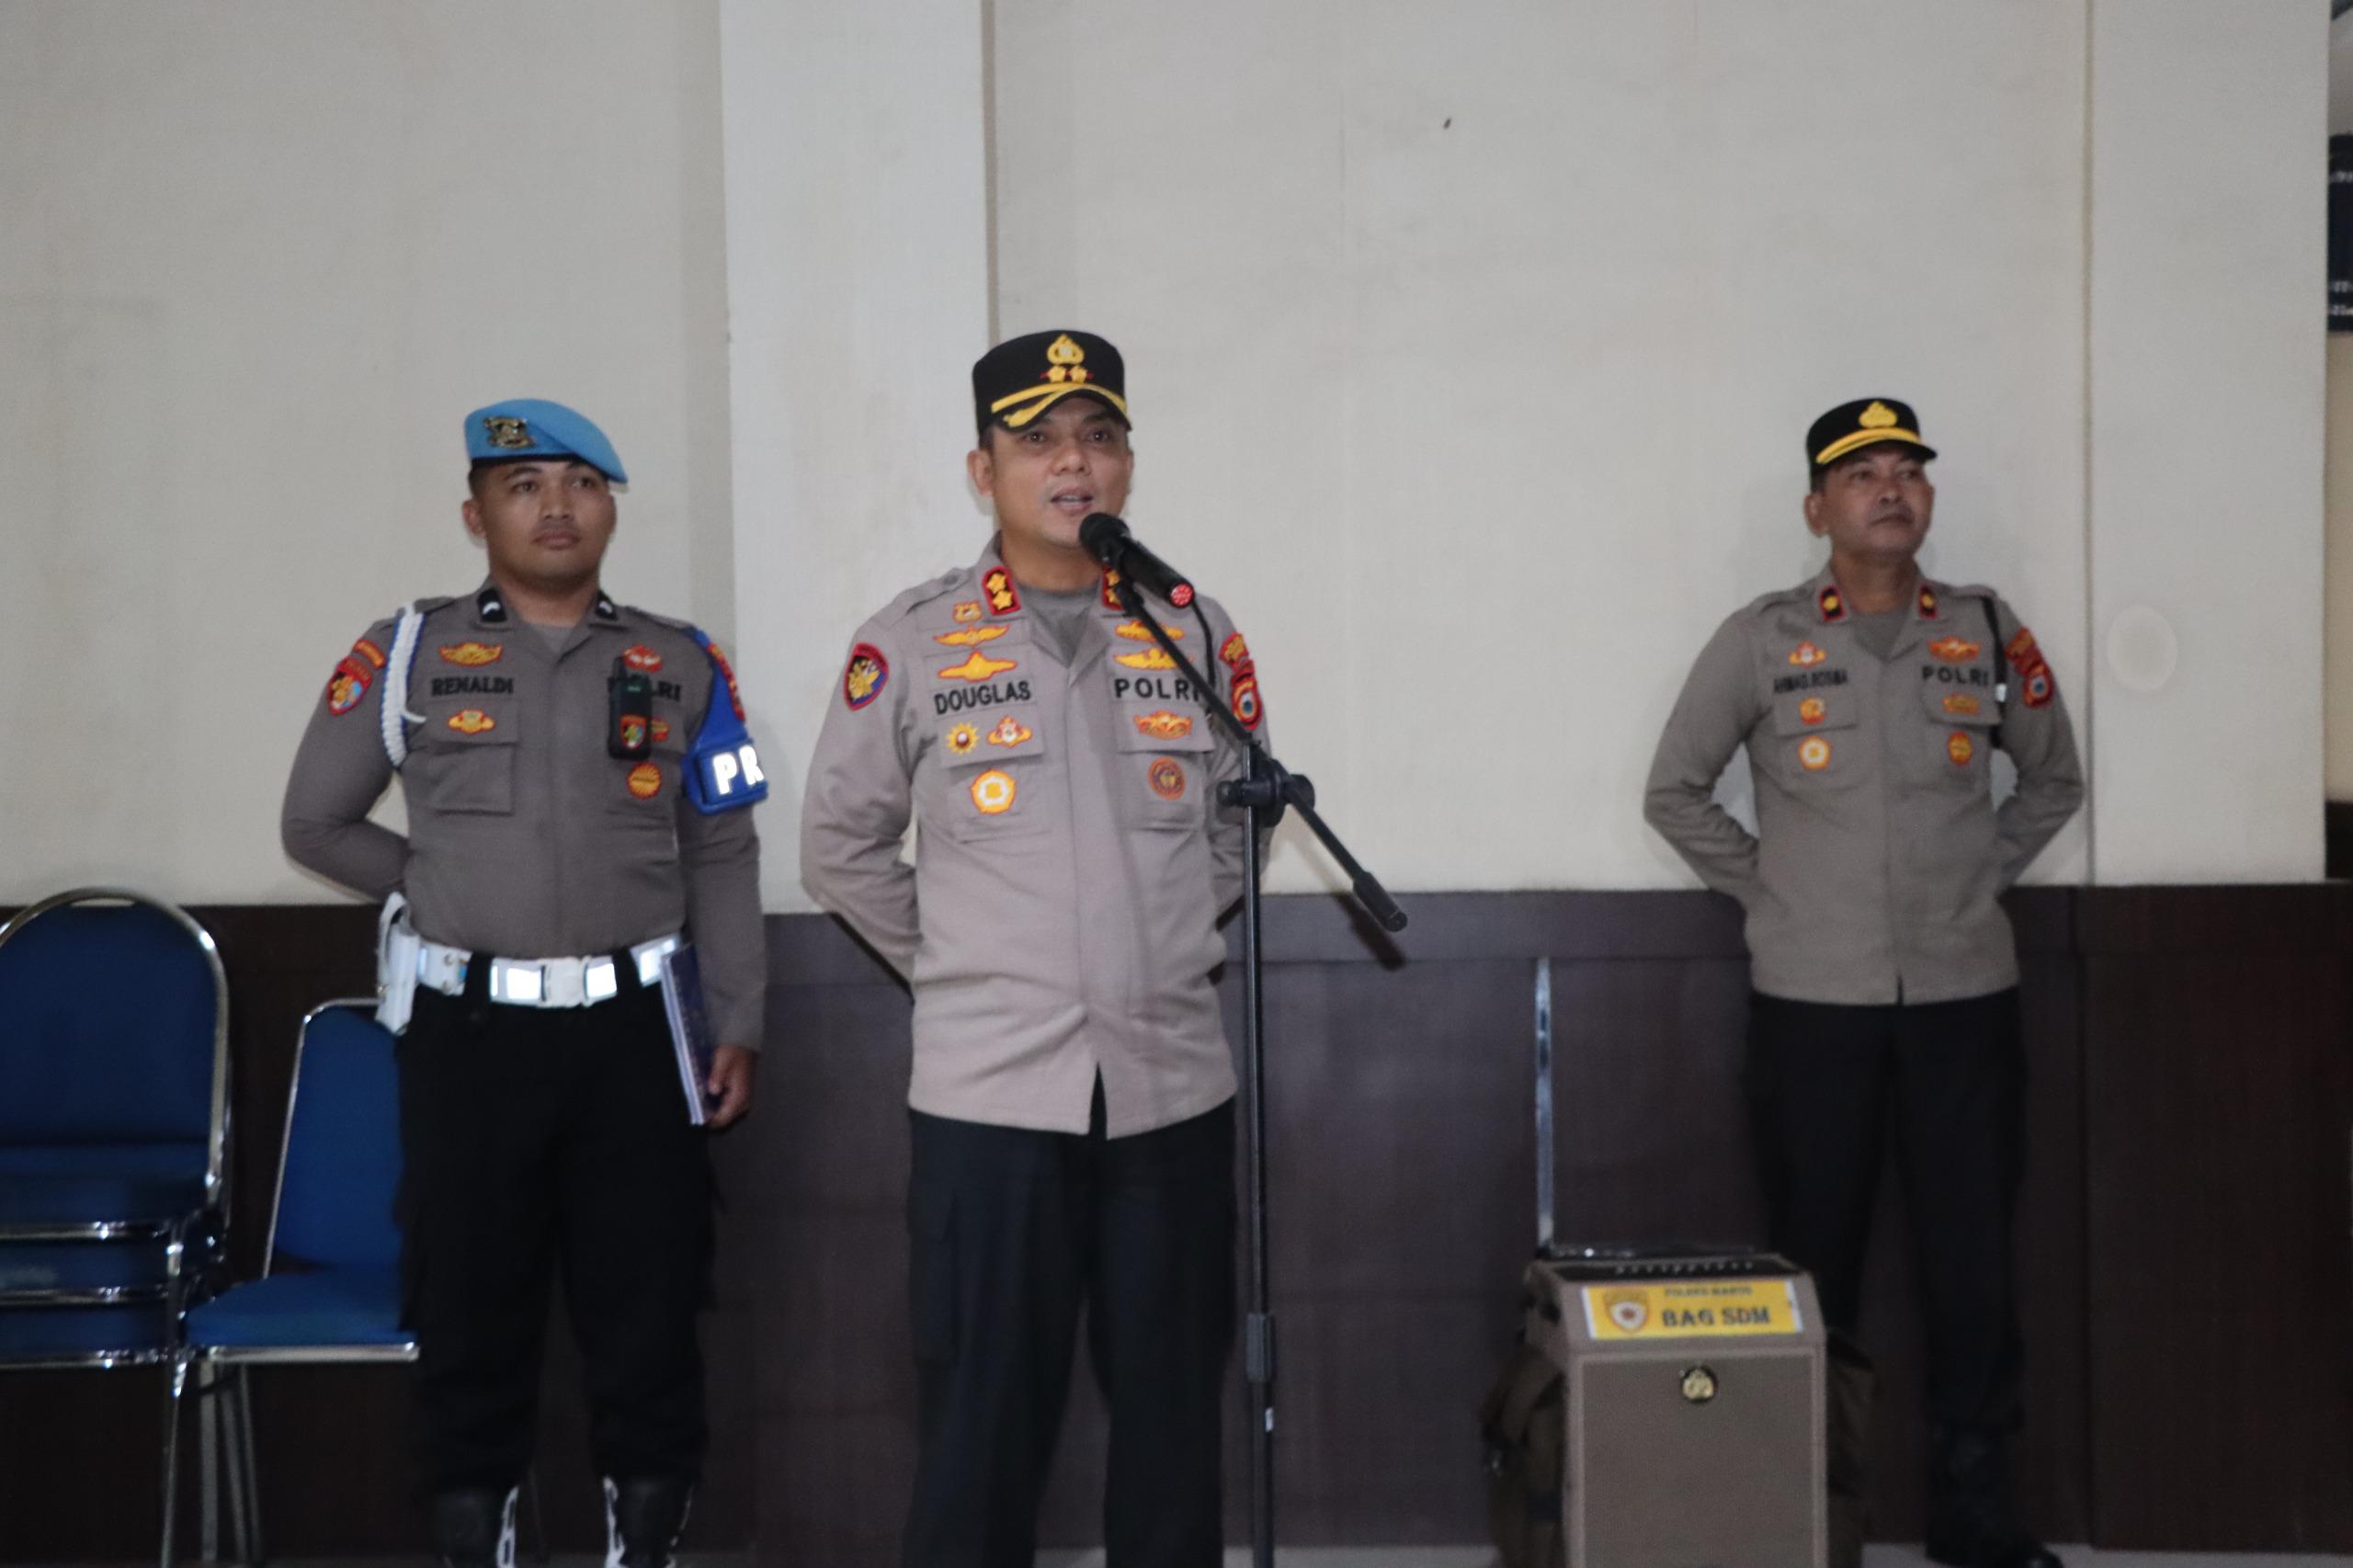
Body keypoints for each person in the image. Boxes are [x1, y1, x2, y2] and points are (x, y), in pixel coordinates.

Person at [801, 330, 1264, 1568]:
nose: (1074, 463)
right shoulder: (913, 639)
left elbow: (1240, 830)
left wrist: (1157, 944)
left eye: (1099, 436)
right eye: (1040, 441)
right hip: (989, 1103)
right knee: (980, 1433)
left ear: (1127, 464)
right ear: (983, 471)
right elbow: (839, 847)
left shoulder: (1191, 630)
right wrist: (964, 963)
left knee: (1173, 1428)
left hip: (1169, 1090)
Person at [280, 399, 766, 1568]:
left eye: (581, 483)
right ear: (476, 513)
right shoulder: (408, 652)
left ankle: (641, 1541)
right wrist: (436, 881)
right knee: (468, 1305)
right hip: (471, 1034)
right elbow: (315, 822)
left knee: (649, 1307)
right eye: (524, 484)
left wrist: (740, 1017)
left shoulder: (682, 660)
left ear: (609, 509)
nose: (557, 505)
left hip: (639, 1034)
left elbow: (722, 848)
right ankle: (477, 1534)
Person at [1643, 399, 2082, 1568]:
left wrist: (1976, 873)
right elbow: (1673, 791)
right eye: (1860, 474)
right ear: (1816, 507)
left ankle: (1974, 1509)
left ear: (1926, 498)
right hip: (1812, 1004)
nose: (1890, 489)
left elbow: (2052, 779)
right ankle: (1807, 1508)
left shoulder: (1985, 628)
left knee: (1971, 1265)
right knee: (1810, 1262)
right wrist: (1772, 890)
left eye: (1906, 471)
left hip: (1963, 998)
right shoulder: (1761, 639)